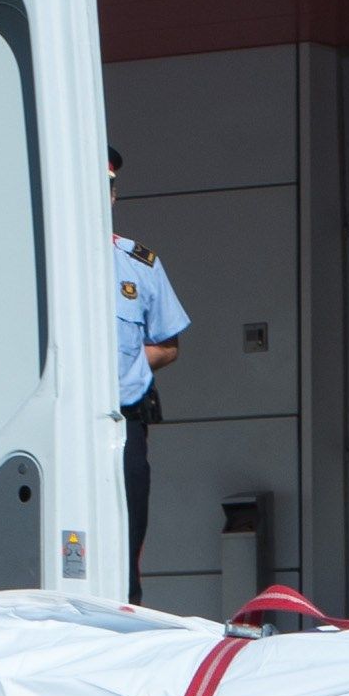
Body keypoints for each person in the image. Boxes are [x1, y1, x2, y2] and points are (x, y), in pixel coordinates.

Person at [109, 147, 190, 598]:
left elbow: (167, 346)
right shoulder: (43, 260)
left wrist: (116, 373)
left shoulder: (138, 264)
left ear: (115, 195)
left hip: (124, 423)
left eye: (108, 187)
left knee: (126, 541)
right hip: (56, 427)